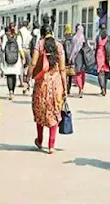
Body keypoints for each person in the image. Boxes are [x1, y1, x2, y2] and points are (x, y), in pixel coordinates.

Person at [25, 25, 67, 154]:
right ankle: (51, 145)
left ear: (42, 34)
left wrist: (27, 77)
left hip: (41, 83)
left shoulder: (39, 44)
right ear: (52, 33)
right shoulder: (59, 46)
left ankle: (40, 139)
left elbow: (33, 63)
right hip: (56, 84)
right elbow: (62, 69)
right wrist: (65, 88)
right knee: (54, 111)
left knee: (40, 111)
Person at [2, 23, 25, 100]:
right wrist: (23, 57)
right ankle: (13, 92)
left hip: (8, 58)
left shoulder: (6, 36)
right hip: (16, 58)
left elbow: (2, 47)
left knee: (9, 75)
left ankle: (10, 91)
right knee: (14, 75)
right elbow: (20, 48)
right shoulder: (18, 36)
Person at [69, 25, 86, 98]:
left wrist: (71, 58)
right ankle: (81, 88)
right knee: (83, 74)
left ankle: (80, 88)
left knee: (78, 73)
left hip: (77, 57)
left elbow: (73, 49)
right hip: (84, 57)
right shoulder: (84, 38)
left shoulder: (75, 38)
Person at [95, 28, 110, 96]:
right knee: (106, 73)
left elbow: (96, 47)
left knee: (100, 73)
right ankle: (105, 87)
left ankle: (102, 88)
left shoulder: (98, 37)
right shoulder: (108, 38)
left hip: (99, 54)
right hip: (106, 55)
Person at [18, 21, 32, 88]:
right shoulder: (28, 32)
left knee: (21, 66)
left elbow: (19, 42)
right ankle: (27, 79)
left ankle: (21, 82)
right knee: (27, 65)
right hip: (27, 49)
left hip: (21, 49)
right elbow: (30, 40)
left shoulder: (20, 31)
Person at [63, 24, 74, 95]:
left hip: (66, 59)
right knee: (70, 75)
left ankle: (66, 87)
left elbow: (66, 50)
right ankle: (69, 88)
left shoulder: (65, 40)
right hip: (72, 59)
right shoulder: (73, 39)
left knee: (65, 74)